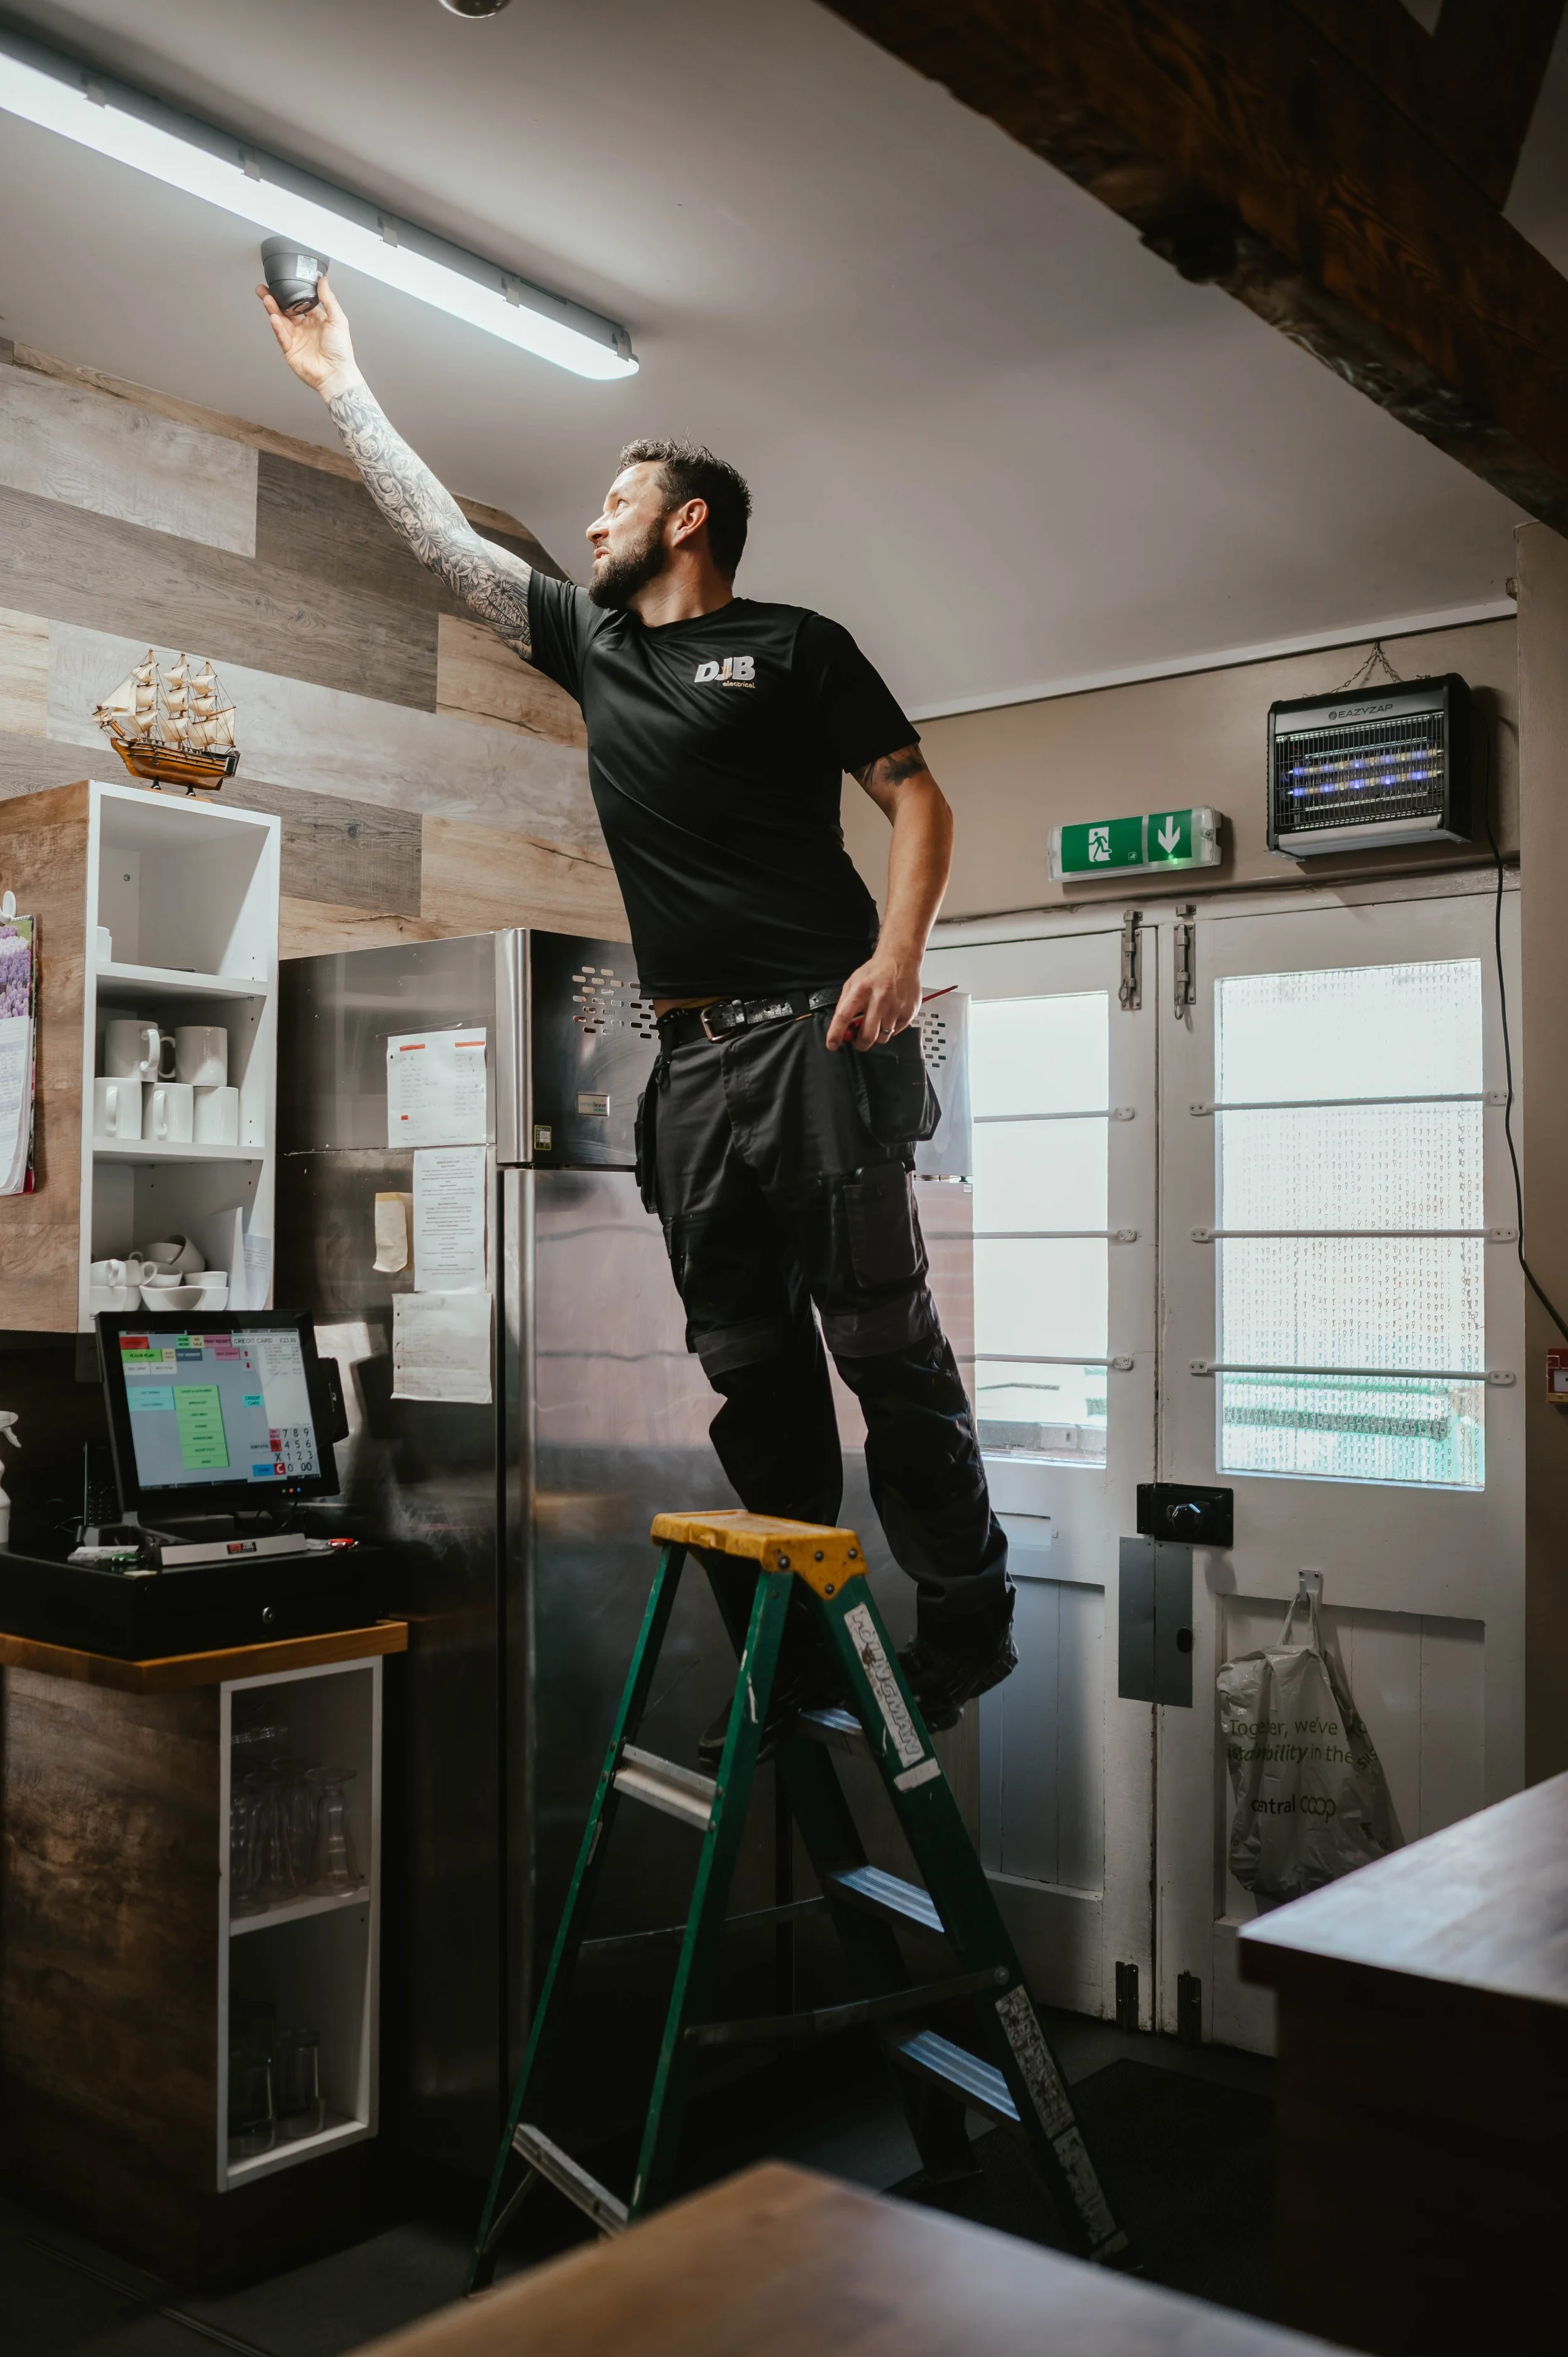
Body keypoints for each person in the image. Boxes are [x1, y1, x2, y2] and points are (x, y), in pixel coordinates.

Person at [260, 275, 1013, 1753]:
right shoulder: (592, 649)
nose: (589, 522)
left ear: (688, 521)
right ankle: (794, 1659)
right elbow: (437, 539)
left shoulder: (796, 647)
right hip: (686, 1065)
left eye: (616, 500)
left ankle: (967, 1621)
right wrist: (339, 381)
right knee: (749, 1371)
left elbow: (914, 795)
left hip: (822, 1038)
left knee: (880, 1346)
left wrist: (902, 954)